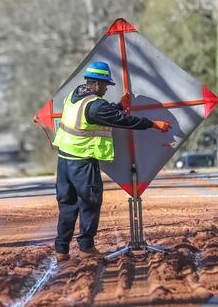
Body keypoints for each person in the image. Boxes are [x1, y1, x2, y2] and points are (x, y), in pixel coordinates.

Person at [51, 61, 171, 262]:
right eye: (106, 85)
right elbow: (122, 120)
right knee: (90, 202)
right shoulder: (96, 105)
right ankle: (86, 248)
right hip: (82, 162)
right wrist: (152, 124)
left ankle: (61, 250)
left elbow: (99, 115)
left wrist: (117, 107)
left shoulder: (75, 95)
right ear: (96, 84)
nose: (106, 89)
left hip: (64, 160)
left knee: (67, 205)